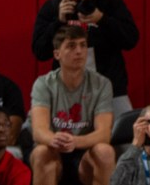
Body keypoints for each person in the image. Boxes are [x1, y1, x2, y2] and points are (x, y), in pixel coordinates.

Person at [32, 0, 140, 119]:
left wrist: (103, 19)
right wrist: (58, 22)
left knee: (125, 138)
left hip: (111, 89)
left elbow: (131, 40)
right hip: (66, 92)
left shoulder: (110, 4)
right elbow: (39, 51)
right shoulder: (53, 7)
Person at [29, 25, 116, 185]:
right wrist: (54, 139)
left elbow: (104, 134)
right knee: (41, 152)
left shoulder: (102, 84)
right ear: (57, 54)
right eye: (71, 46)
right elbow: (39, 131)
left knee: (105, 151)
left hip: (85, 151)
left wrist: (75, 142)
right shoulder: (43, 84)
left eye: (83, 45)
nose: (79, 51)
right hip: (53, 149)